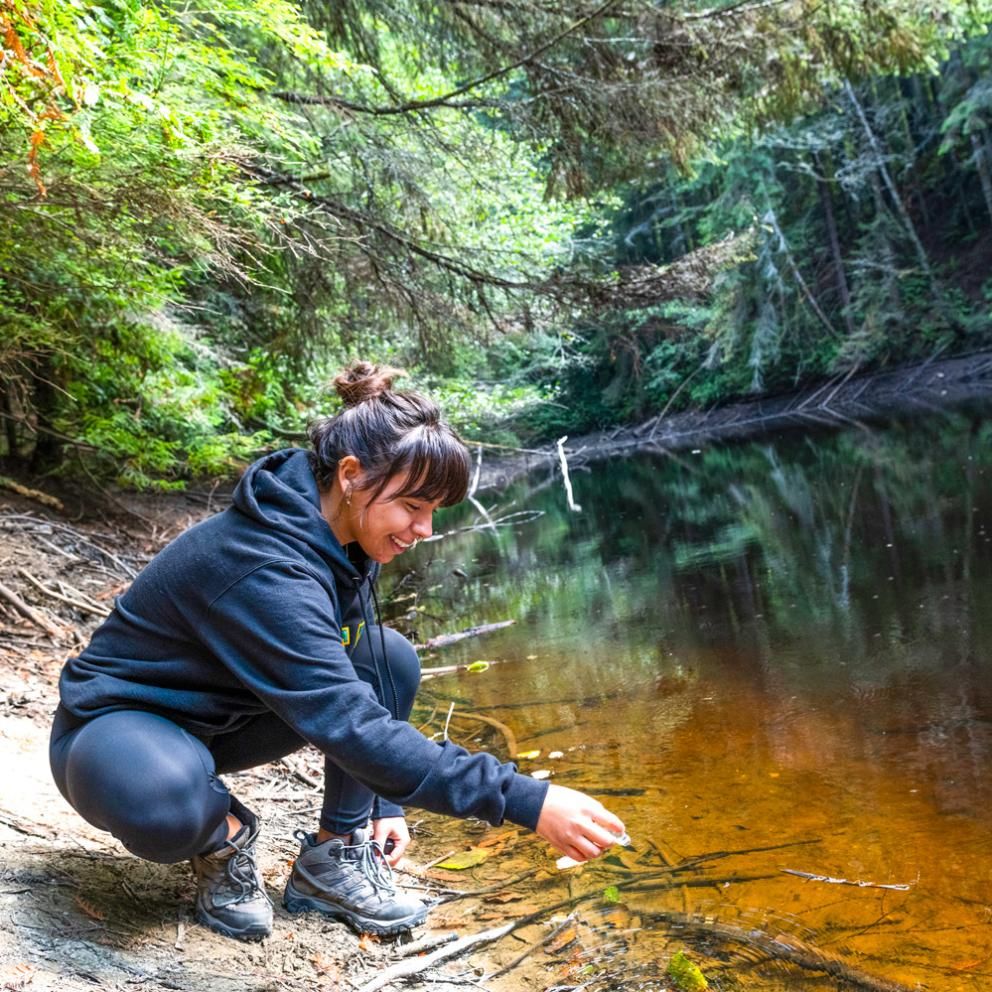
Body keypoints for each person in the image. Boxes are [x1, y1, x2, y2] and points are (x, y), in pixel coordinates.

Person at [49, 361, 625, 942]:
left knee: (387, 657)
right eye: (413, 507)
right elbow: (347, 722)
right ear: (351, 475)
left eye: (432, 513)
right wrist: (527, 800)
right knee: (162, 803)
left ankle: (335, 855)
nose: (423, 529)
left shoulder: (343, 537)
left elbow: (356, 683)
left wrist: (384, 807)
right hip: (116, 733)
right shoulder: (263, 568)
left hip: (222, 722)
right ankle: (221, 841)